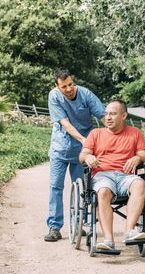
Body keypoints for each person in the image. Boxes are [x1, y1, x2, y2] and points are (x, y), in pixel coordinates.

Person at [79, 99, 145, 251]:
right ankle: (108, 240)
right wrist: (88, 157)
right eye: (106, 114)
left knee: (140, 183)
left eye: (113, 114)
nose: (108, 117)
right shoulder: (96, 133)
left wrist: (137, 157)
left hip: (125, 177)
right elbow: (82, 155)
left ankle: (129, 232)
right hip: (103, 176)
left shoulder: (135, 133)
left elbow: (143, 154)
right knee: (102, 192)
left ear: (123, 116)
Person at [44, 68, 105, 242]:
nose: (69, 89)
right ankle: (54, 227)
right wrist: (84, 139)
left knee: (82, 189)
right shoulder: (54, 96)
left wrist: (113, 135)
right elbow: (65, 123)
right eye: (64, 86)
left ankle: (79, 224)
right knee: (56, 187)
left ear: (73, 81)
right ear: (57, 86)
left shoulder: (85, 94)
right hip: (60, 149)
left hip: (82, 152)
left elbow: (103, 116)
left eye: (70, 84)